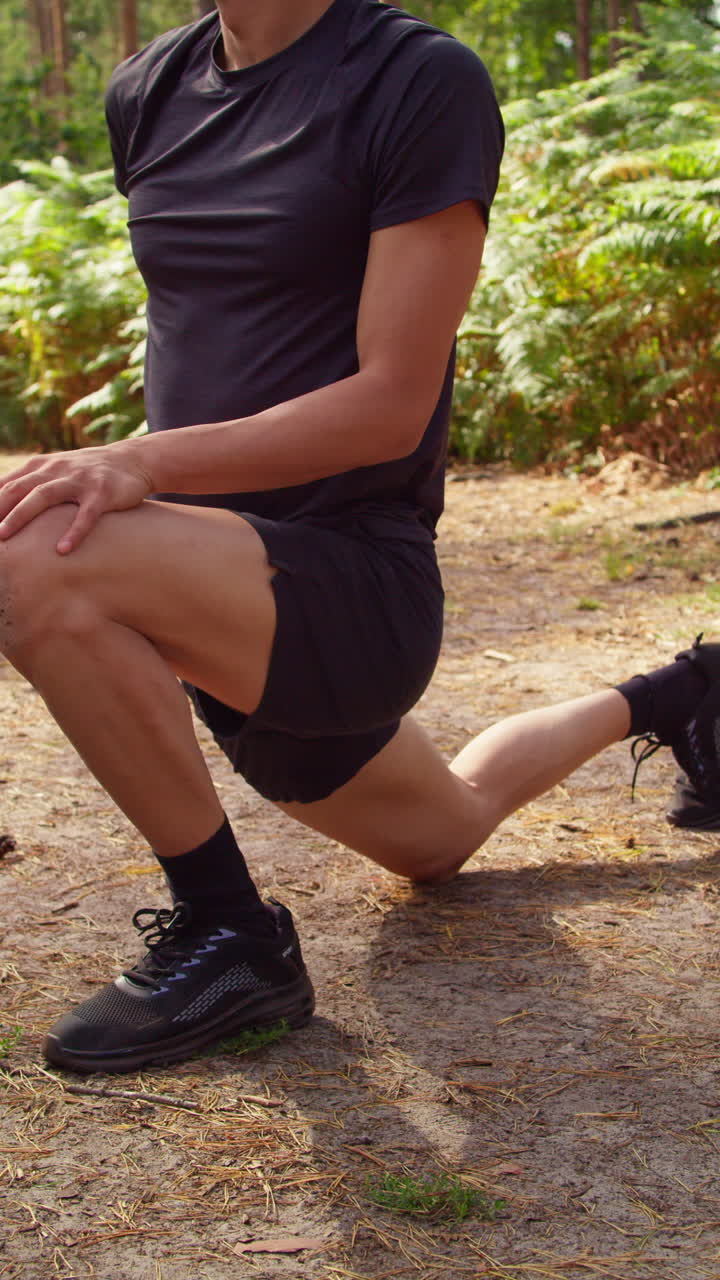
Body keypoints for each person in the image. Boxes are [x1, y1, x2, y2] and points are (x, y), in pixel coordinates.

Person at [0, 0, 717, 1076]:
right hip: (209, 587)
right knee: (443, 835)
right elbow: (207, 324)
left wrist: (139, 465)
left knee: (31, 553)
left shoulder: (414, 80)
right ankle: (681, 691)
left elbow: (389, 406)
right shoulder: (150, 88)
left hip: (346, 588)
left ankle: (232, 935)